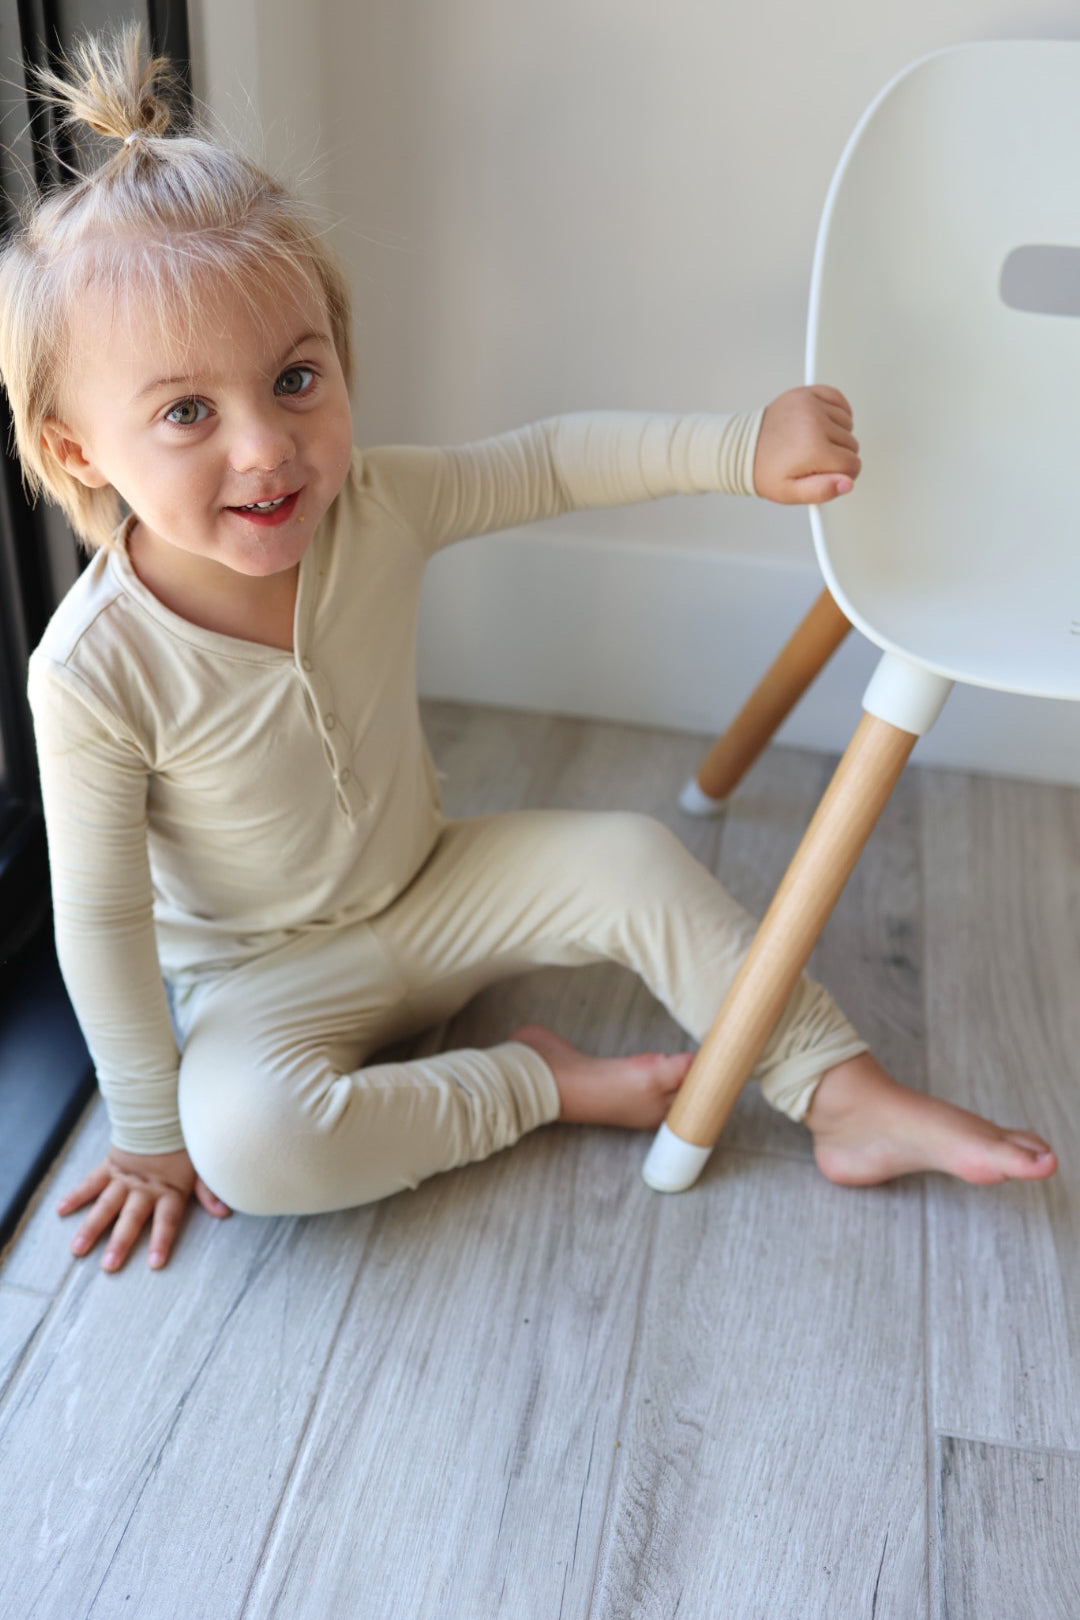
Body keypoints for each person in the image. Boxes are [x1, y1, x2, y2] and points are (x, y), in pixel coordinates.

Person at [2, 29, 1056, 1277]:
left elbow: (549, 462)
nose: (265, 450)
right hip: (260, 986)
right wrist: (146, 1132)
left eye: (295, 379)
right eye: (188, 413)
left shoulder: (378, 505)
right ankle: (539, 1086)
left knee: (630, 859)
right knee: (246, 1142)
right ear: (77, 452)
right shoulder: (91, 669)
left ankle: (838, 1090)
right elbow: (103, 914)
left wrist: (740, 447)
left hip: (438, 889)